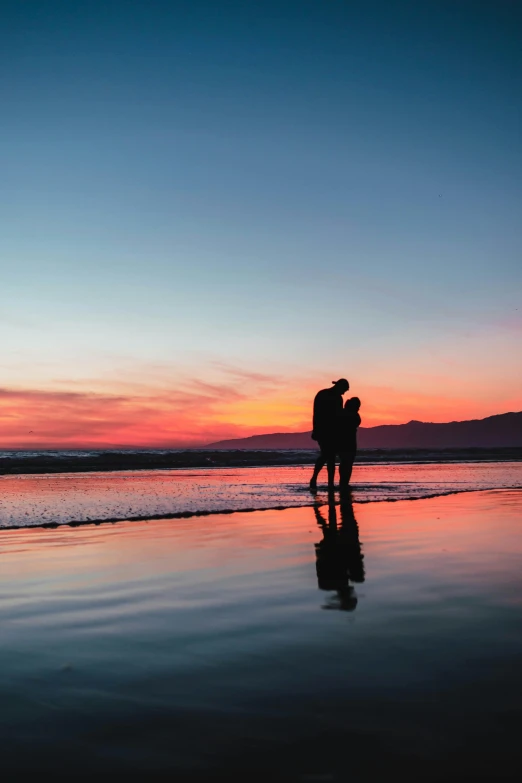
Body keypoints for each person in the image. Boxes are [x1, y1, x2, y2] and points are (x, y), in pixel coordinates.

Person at [309, 378, 349, 490]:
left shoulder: (337, 398)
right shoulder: (323, 395)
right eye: (344, 390)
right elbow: (316, 413)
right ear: (339, 387)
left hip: (333, 431)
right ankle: (315, 478)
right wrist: (315, 429)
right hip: (323, 430)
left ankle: (328, 482)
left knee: (330, 457)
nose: (344, 393)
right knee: (327, 455)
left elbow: (339, 416)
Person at [338, 397, 361, 488]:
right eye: (358, 406)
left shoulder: (346, 413)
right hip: (347, 440)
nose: (358, 408)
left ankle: (344, 482)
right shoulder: (349, 414)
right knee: (347, 462)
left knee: (346, 462)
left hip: (347, 440)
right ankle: (344, 482)